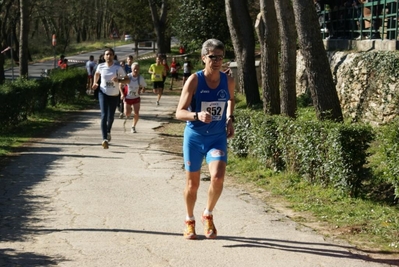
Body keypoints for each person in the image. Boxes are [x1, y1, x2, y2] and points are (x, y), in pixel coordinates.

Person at [175, 39, 235, 240]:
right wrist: (196, 115)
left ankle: (207, 214)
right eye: (212, 57)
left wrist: (229, 119)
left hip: (216, 139)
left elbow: (231, 100)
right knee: (193, 185)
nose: (216, 61)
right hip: (194, 138)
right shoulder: (194, 80)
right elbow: (179, 112)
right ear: (203, 58)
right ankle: (189, 220)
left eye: (220, 57)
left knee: (217, 177)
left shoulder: (228, 80)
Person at [92, 48, 129, 149]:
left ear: (113, 56)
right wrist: (95, 82)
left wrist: (119, 79)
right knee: (104, 115)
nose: (109, 56)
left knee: (111, 117)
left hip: (114, 95)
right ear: (104, 56)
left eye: (110, 54)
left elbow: (127, 80)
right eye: (107, 54)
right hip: (103, 93)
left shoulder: (117, 68)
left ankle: (108, 131)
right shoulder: (100, 66)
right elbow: (96, 74)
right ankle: (104, 139)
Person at [121, 62, 147, 133]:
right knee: (127, 114)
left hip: (136, 98)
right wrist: (122, 94)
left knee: (137, 113)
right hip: (127, 98)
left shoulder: (140, 78)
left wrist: (143, 89)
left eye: (137, 69)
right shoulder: (128, 77)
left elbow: (144, 86)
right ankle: (129, 109)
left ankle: (133, 127)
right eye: (134, 69)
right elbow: (120, 85)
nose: (136, 70)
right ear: (131, 69)